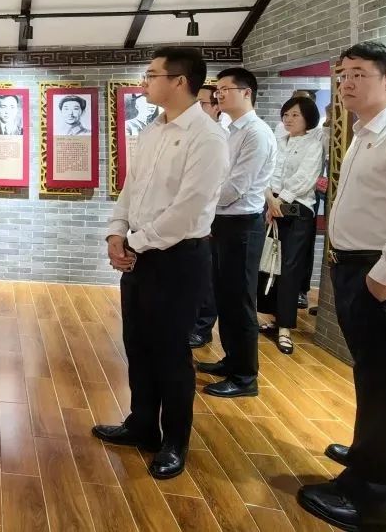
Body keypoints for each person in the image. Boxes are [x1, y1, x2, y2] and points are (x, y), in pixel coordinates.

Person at [93, 47, 228, 480]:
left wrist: (133, 242)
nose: (145, 83)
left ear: (180, 81)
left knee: (170, 351)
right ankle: (142, 424)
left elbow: (188, 209)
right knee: (138, 342)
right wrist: (116, 232)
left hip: (178, 257)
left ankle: (175, 441)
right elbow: (131, 189)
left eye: (152, 75)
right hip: (139, 251)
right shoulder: (153, 129)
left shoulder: (207, 137)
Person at [298, 42, 386, 532]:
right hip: (358, 268)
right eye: (342, 73)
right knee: (372, 375)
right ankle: (369, 456)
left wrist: (383, 278)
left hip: (384, 274)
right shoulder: (367, 132)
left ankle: (379, 500)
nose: (346, 82)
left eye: (359, 73)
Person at [198, 68, 276, 399]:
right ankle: (232, 360)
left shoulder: (256, 133)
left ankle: (245, 377)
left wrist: (199, 199)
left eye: (225, 89)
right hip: (223, 221)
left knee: (241, 301)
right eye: (217, 90)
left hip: (242, 224)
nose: (218, 95)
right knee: (225, 297)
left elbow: (235, 187)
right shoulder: (230, 130)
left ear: (246, 93)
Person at [257, 96, 324, 355]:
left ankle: (285, 327)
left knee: (289, 268)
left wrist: (279, 201)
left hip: (297, 210)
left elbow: (306, 178)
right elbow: (265, 171)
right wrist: (269, 199)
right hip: (271, 207)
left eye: (295, 115)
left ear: (308, 118)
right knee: (269, 264)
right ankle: (272, 317)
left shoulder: (314, 143)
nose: (288, 119)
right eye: (286, 114)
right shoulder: (278, 140)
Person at [189, 84, 227, 349]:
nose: (197, 109)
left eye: (202, 104)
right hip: (196, 218)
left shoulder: (218, 137)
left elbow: (222, 185)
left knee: (209, 277)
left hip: (214, 216)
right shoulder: (194, 135)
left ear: (216, 107)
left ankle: (203, 327)